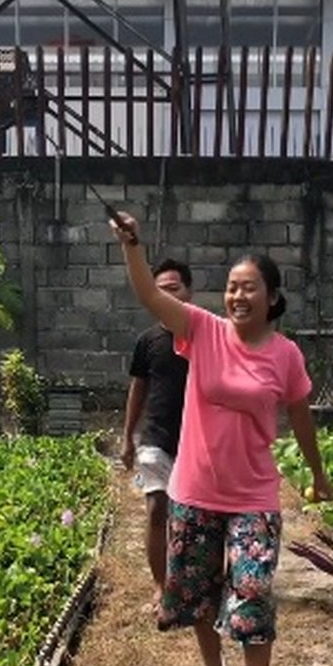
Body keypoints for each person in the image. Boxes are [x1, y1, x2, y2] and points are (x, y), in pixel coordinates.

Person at [110, 211, 333, 666]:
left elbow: (301, 417)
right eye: (231, 287)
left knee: (253, 590)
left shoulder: (286, 356)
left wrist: (319, 474)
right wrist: (133, 246)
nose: (237, 296)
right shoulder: (202, 331)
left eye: (248, 288)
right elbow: (148, 295)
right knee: (198, 594)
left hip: (254, 494)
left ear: (272, 297)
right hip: (194, 491)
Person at [121, 259, 192, 610]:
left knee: (193, 517)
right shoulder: (147, 341)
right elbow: (138, 390)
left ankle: (194, 581)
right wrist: (127, 439)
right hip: (155, 439)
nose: (166, 295)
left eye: (173, 288)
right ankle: (161, 585)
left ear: (188, 291)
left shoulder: (203, 335)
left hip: (197, 442)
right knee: (155, 509)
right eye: (160, 289)